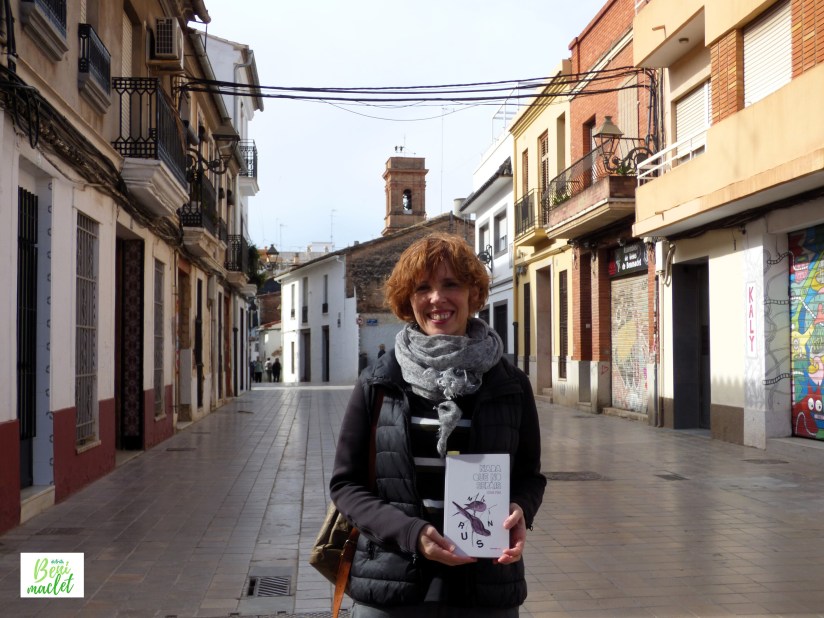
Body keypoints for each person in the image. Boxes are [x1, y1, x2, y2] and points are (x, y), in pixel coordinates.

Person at [330, 232, 546, 617]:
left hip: (485, 589)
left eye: (451, 285)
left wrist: (520, 509)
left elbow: (530, 476)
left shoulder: (510, 384)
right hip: (392, 588)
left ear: (473, 293)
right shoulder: (379, 382)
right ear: (407, 299)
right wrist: (412, 534)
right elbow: (346, 485)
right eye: (422, 288)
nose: (436, 298)